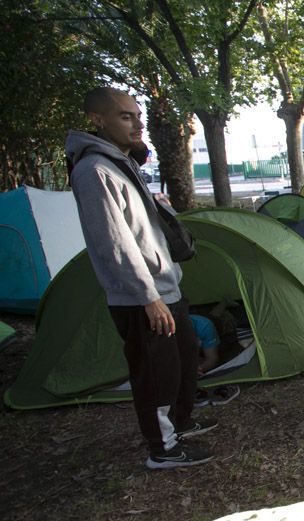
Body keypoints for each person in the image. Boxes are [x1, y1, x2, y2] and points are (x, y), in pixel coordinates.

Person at [66, 87, 216, 469]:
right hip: (142, 298)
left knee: (182, 360)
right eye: (125, 116)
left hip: (166, 286)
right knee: (157, 375)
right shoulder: (94, 170)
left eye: (137, 114)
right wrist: (147, 297)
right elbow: (113, 243)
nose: (137, 123)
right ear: (98, 120)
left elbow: (137, 228)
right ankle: (162, 449)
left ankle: (178, 426)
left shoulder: (121, 162)